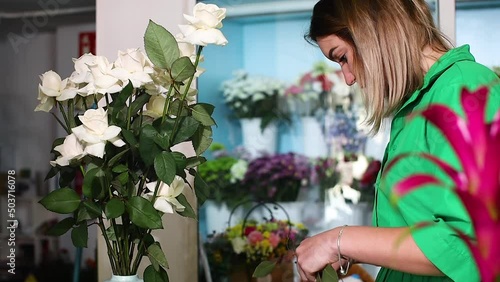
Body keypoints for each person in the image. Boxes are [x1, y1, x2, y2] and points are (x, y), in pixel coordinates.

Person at [294, 0, 500, 281]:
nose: (349, 78)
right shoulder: (418, 104)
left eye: (342, 57)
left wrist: (339, 240)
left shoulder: (463, 89)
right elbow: (421, 231)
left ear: (373, 33)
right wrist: (351, 250)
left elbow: (472, 246)